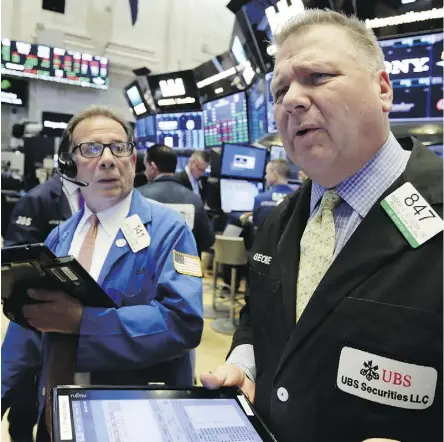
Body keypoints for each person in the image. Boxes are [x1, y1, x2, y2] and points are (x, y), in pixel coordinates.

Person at [200, 9, 442, 442]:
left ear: (382, 89)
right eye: (279, 91)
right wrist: (245, 364)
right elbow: (258, 321)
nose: (291, 99)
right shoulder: (278, 222)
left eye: (318, 76)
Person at [2, 106, 204, 442]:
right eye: (92, 149)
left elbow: (183, 322)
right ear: (69, 166)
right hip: (55, 414)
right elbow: (29, 326)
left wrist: (84, 321)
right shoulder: (60, 237)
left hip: (133, 422)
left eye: (119, 147)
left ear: (134, 160)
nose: (108, 159)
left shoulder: (170, 230)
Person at [2, 174, 80, 442]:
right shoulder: (37, 199)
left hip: (81, 341)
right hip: (34, 321)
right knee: (25, 406)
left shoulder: (104, 206)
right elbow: (13, 261)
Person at [138, 143, 215, 255]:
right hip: (184, 267)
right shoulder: (194, 199)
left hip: (147, 268)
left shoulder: (138, 197)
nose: (145, 172)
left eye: (146, 167)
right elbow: (207, 241)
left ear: (152, 167)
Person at [247, 159, 294, 228]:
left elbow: (256, 224)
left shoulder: (260, 199)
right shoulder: (297, 197)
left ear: (275, 175)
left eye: (267, 173)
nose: (265, 176)